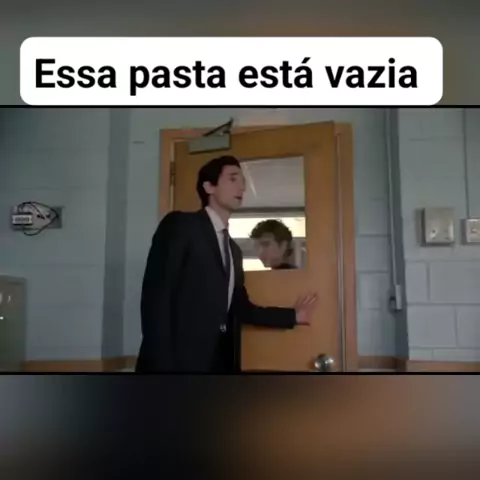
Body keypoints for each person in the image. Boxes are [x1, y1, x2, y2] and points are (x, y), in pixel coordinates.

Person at [135, 155, 317, 373]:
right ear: (209, 187)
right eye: (233, 178)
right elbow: (156, 297)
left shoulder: (234, 250)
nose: (242, 186)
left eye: (243, 181)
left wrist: (293, 316)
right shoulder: (181, 225)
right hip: (175, 366)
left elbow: (240, 307)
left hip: (219, 364)